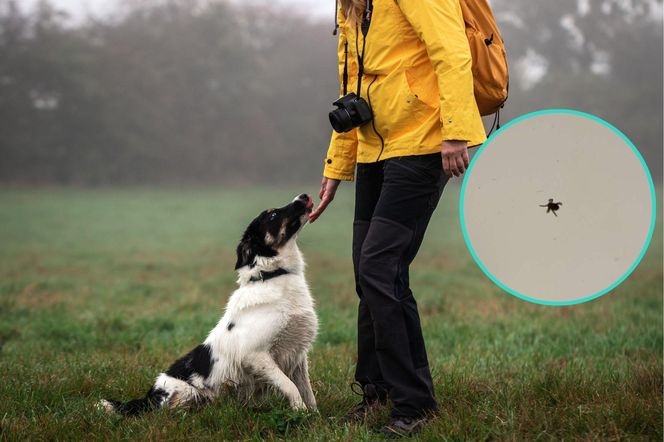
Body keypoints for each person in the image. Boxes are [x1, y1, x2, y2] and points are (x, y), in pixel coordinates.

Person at [309, 0, 487, 437]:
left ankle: (416, 404)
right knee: (367, 274)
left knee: (380, 268)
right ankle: (377, 392)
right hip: (375, 148)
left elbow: (451, 51)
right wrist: (337, 167)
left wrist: (455, 131)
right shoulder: (350, 6)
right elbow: (354, 85)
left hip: (426, 142)